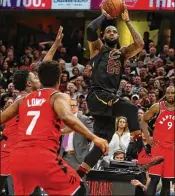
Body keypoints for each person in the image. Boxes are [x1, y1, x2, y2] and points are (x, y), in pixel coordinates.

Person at [76, 6, 164, 178]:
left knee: (104, 143)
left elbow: (139, 44)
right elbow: (90, 29)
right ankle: (142, 155)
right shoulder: (97, 48)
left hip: (107, 98)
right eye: (108, 31)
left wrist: (128, 21)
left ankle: (78, 175)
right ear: (103, 36)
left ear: (117, 36)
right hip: (98, 94)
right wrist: (105, 16)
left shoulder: (122, 53)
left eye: (114, 31)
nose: (111, 33)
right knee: (131, 109)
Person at [0, 59, 108, 195]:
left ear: (39, 78)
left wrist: (60, 131)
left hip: (19, 158)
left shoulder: (23, 100)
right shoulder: (57, 96)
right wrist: (94, 138)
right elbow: (68, 118)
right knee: (79, 189)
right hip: (42, 156)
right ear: (59, 78)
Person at [0, 27, 65, 195]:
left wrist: (56, 45)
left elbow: (43, 68)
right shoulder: (24, 99)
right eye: (35, 78)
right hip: (11, 152)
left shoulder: (32, 98)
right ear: (29, 84)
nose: (38, 78)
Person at [141, 86, 175, 196]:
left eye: (172, 93)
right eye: (168, 93)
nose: (170, 95)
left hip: (171, 149)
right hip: (158, 147)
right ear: (165, 94)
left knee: (166, 182)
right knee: (154, 179)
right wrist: (147, 137)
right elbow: (143, 120)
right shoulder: (157, 107)